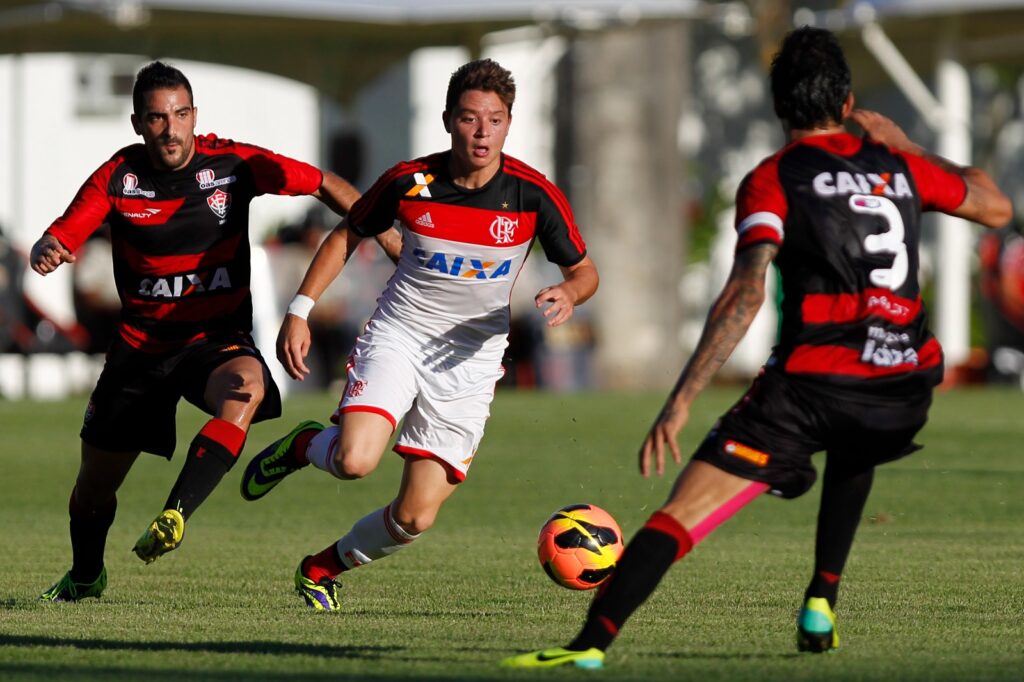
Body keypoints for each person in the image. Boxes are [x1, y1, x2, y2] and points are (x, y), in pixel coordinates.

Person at [502, 26, 1012, 669]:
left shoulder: (773, 178)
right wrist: (904, 143)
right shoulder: (900, 167)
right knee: (860, 434)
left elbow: (744, 296)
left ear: (778, 108)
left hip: (811, 388)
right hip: (901, 390)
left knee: (684, 509)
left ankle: (587, 647)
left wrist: (681, 399)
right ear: (849, 101)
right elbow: (997, 208)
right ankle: (821, 599)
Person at [32, 61, 400, 603]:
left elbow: (323, 183)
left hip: (214, 342)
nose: (171, 128)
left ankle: (176, 514)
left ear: (194, 116)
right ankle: (86, 575)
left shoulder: (233, 164)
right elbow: (65, 230)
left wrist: (387, 234)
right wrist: (50, 247)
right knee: (92, 492)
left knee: (245, 389)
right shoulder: (118, 177)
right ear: (138, 123)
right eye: (157, 118)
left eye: (180, 114)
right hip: (140, 351)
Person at [239, 58, 599, 611]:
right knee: (356, 461)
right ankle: (307, 445)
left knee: (414, 517)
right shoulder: (410, 181)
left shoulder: (531, 194)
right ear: (448, 120)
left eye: (495, 120)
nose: (482, 133)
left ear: (509, 123)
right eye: (470, 119)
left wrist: (570, 293)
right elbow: (345, 236)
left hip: (471, 362)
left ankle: (320, 568)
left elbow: (584, 270)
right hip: (401, 335)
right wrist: (299, 310)